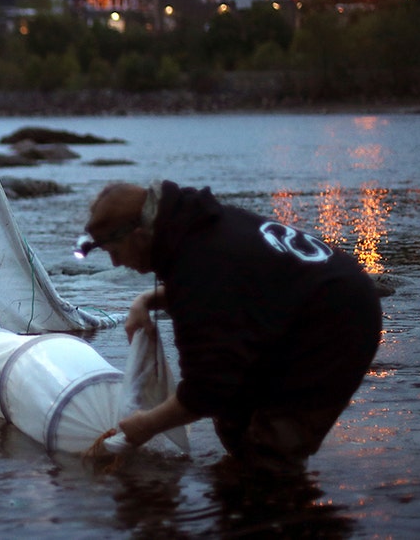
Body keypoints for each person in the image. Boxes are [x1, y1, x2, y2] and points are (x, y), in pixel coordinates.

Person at [77, 180, 381, 472]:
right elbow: (232, 285)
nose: (116, 264)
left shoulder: (200, 260)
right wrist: (146, 300)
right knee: (234, 417)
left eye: (115, 252)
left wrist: (146, 425)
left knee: (270, 448)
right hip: (308, 299)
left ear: (141, 235)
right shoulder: (195, 226)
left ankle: (279, 509)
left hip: (340, 322)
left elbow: (205, 390)